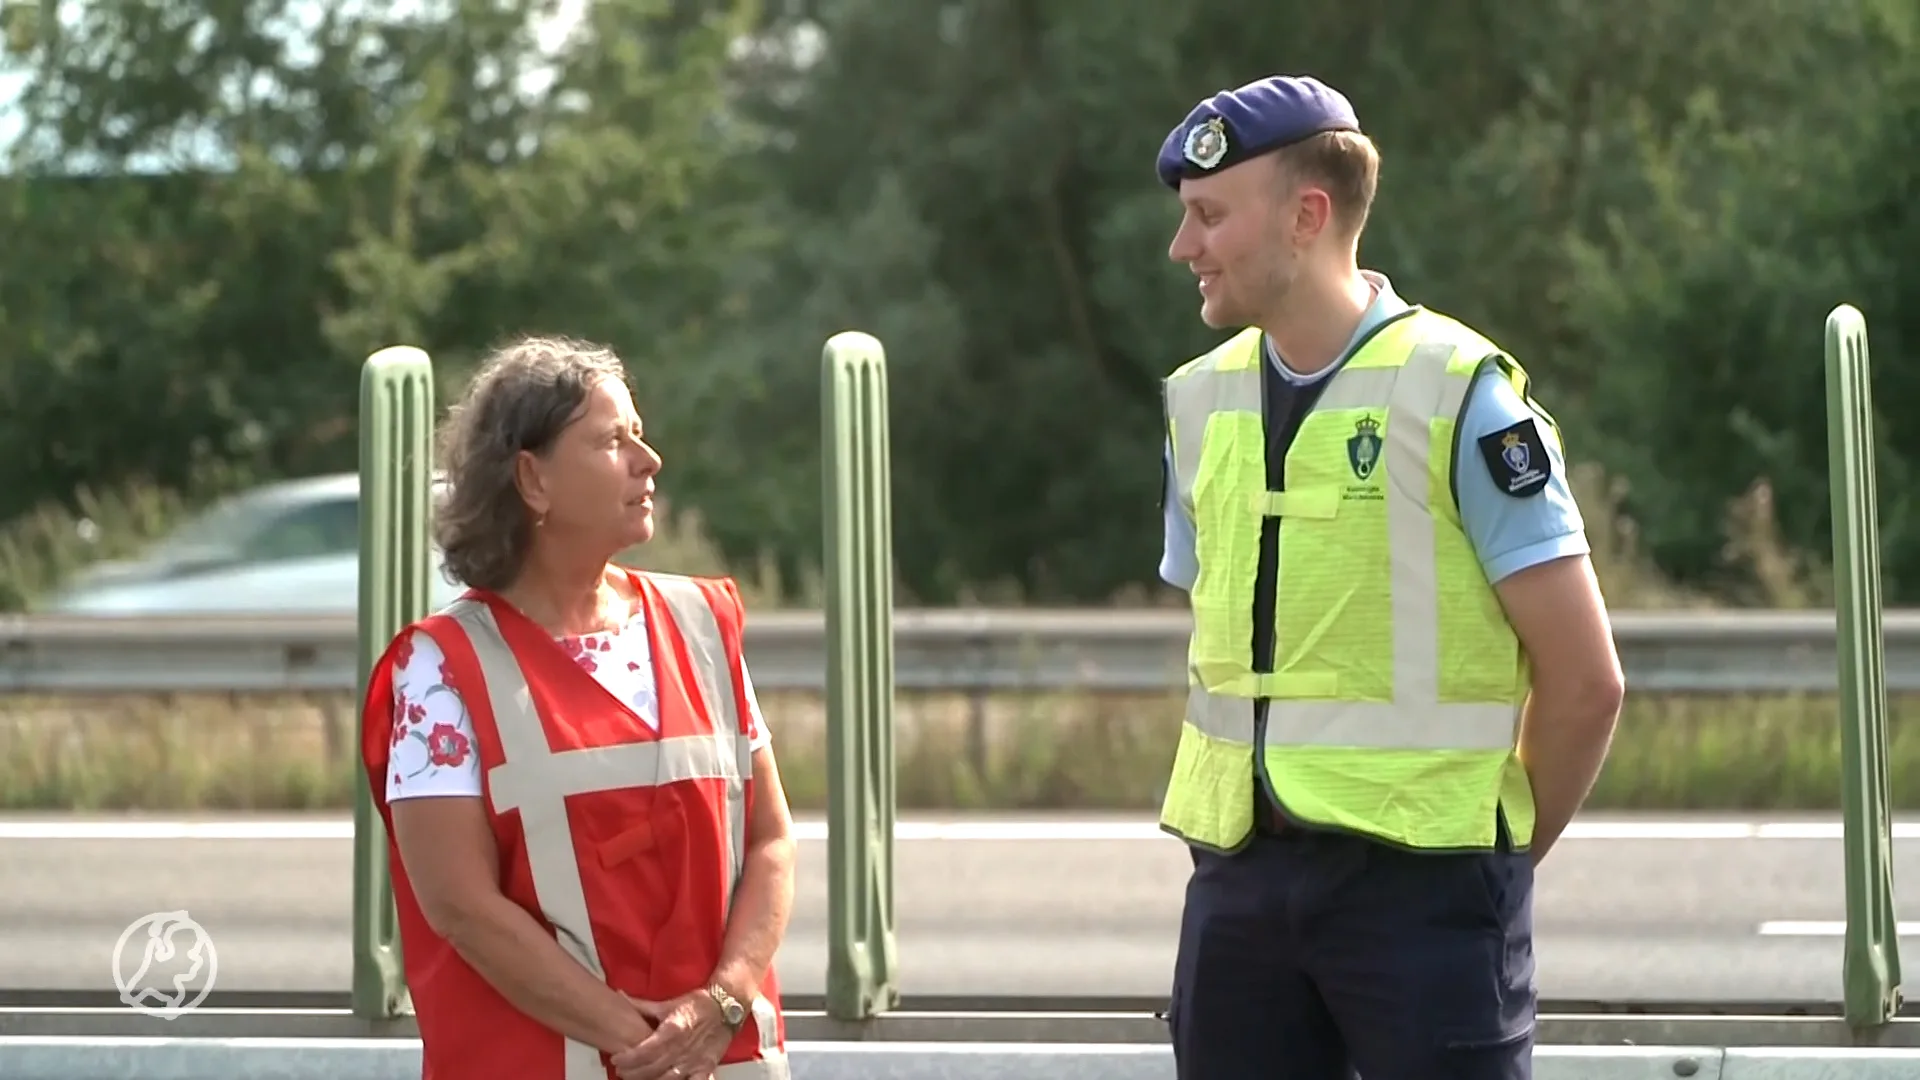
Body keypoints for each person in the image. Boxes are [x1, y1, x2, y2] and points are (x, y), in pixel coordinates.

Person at [1151, 75, 1627, 1079]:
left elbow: (1585, 684)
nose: (1182, 248)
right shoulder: (1198, 405)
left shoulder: (1464, 396)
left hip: (1426, 900)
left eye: (1207, 217)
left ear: (1307, 217)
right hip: (1240, 890)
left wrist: (1486, 872)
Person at [359, 335, 796, 1080]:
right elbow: (460, 905)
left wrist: (721, 1003)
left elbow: (770, 842)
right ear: (532, 479)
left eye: (640, 434)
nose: (647, 459)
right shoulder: (440, 670)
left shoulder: (701, 626)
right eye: (610, 441)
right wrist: (644, 1040)